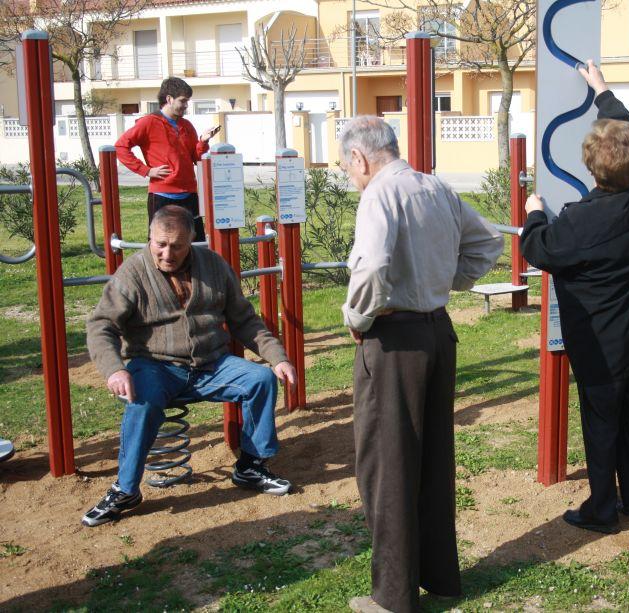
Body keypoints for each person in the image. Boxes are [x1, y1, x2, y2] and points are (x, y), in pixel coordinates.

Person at [340, 116, 502, 613]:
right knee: (432, 459)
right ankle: (441, 578)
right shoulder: (436, 189)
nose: (349, 176)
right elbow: (489, 242)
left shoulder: (379, 195)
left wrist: (357, 314)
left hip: (395, 340)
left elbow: (369, 266)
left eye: (347, 167)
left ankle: (392, 597)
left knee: (388, 465)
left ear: (361, 159)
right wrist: (446, 282)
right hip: (437, 331)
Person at [521, 60, 629, 534]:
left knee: (602, 421)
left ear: (591, 166)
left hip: (600, 347)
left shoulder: (582, 221)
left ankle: (603, 507)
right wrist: (603, 91)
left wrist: (534, 213)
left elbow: (537, 249)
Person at [81, 206, 297, 527]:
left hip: (211, 364)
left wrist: (277, 357)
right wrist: (114, 368)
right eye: (160, 244)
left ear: (191, 242)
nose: (167, 253)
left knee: (260, 379)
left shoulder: (213, 267)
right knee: (141, 400)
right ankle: (125, 489)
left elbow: (244, 320)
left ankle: (251, 465)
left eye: (177, 246)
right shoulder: (133, 273)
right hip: (156, 365)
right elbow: (101, 325)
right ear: (150, 239)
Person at [115, 77, 220, 241]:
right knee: (162, 243)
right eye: (183, 101)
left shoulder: (186, 125)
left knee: (196, 244)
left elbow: (196, 158)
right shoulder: (148, 123)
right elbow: (121, 147)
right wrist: (146, 170)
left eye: (187, 101)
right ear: (169, 99)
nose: (186, 105)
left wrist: (203, 142)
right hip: (162, 195)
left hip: (189, 195)